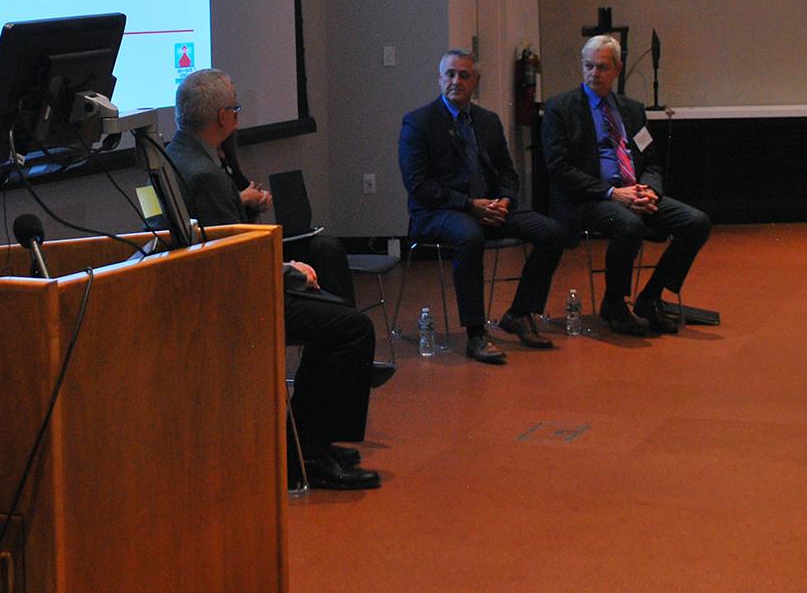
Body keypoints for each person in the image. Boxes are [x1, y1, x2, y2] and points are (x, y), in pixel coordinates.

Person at [166, 69, 381, 490]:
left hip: (209, 284)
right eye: (236, 110)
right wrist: (288, 272)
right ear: (223, 119)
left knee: (327, 260)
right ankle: (309, 455)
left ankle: (307, 438)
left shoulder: (179, 152)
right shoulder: (207, 174)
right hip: (233, 298)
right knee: (352, 329)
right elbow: (235, 260)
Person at [399, 49, 567, 364]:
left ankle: (520, 313)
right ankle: (476, 333)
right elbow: (418, 184)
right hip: (439, 212)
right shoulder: (419, 122)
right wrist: (469, 205)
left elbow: (507, 171)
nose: (456, 81)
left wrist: (504, 200)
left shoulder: (487, 120)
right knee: (470, 236)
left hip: (489, 206)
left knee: (552, 232)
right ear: (439, 78)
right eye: (449, 74)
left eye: (464, 75)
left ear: (475, 81)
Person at [541, 34, 712, 336]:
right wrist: (613, 193)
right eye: (588, 66)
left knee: (696, 222)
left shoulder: (632, 110)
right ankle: (614, 302)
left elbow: (652, 161)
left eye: (603, 67)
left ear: (618, 69)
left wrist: (649, 190)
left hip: (634, 192)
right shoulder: (560, 109)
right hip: (587, 199)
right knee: (629, 225)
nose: (594, 74)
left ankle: (651, 297)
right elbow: (559, 170)